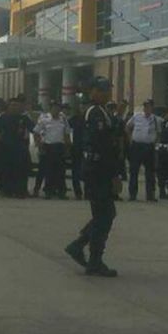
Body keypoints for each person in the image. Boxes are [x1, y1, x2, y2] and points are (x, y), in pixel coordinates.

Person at [64, 76, 120, 277]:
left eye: (108, 90)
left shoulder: (101, 111)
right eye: (103, 90)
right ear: (93, 91)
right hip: (98, 170)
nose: (106, 93)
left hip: (98, 169)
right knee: (104, 215)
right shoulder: (94, 113)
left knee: (104, 215)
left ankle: (80, 246)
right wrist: (114, 175)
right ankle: (93, 258)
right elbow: (103, 146)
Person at [0, 97, 32, 198]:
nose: (14, 107)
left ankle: (20, 190)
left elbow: (34, 128)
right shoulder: (3, 117)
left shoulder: (24, 118)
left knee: (21, 170)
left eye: (16, 105)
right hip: (6, 147)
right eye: (12, 105)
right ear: (8, 106)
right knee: (6, 170)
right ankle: (6, 190)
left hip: (20, 147)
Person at [125, 99, 159, 202]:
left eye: (148, 106)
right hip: (137, 146)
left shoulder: (156, 120)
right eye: (145, 106)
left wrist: (155, 142)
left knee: (150, 173)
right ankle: (132, 194)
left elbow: (159, 132)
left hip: (149, 147)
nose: (146, 108)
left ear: (152, 108)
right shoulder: (137, 116)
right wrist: (130, 139)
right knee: (134, 171)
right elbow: (127, 127)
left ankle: (150, 195)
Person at [33, 103, 69, 199]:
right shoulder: (44, 120)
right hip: (48, 147)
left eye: (57, 108)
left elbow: (66, 134)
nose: (56, 110)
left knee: (61, 171)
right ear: (50, 109)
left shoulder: (63, 120)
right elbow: (36, 132)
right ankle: (48, 191)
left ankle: (61, 192)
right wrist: (39, 145)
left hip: (60, 147)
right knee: (48, 171)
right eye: (54, 108)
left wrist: (67, 148)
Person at [68, 101, 85, 199]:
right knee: (76, 171)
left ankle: (88, 192)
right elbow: (67, 130)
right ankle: (78, 192)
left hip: (87, 148)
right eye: (82, 106)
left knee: (88, 172)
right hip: (76, 148)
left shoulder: (90, 118)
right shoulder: (74, 119)